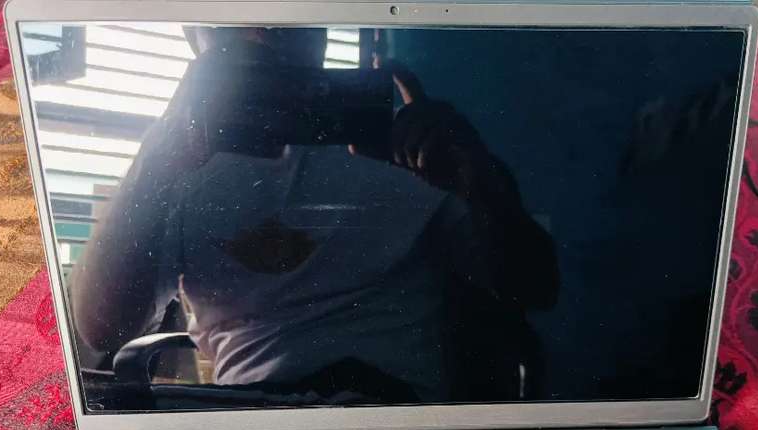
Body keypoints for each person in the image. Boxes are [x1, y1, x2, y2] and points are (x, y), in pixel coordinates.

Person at [69, 26, 558, 404]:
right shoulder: (176, 164)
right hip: (252, 421)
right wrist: (163, 149)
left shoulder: (408, 149)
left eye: (294, 18)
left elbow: (536, 287)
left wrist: (476, 177)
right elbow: (102, 329)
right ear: (195, 38)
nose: (267, 32)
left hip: (389, 416)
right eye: (239, 20)